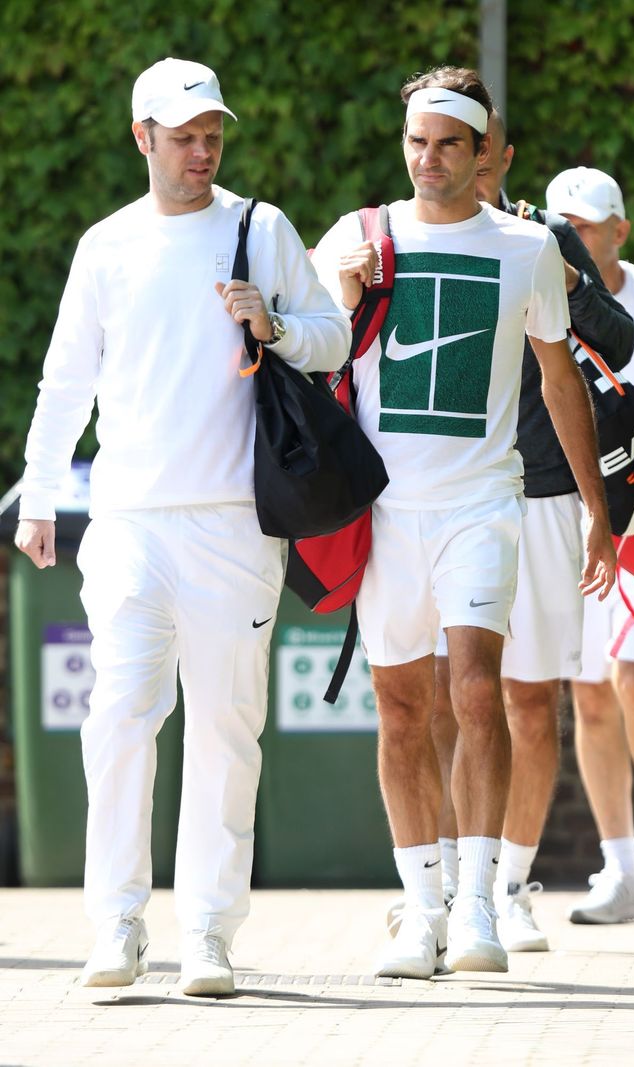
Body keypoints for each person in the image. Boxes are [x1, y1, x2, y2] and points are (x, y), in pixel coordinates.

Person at [14, 57, 350, 995]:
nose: (202, 151)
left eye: (213, 135)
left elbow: (333, 338)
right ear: (143, 138)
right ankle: (116, 923)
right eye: (184, 135)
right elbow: (66, 378)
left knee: (227, 728)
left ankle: (206, 931)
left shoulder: (261, 228)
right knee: (118, 717)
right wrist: (41, 495)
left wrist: (274, 323)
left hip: (238, 523)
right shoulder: (106, 245)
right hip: (126, 522)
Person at [312, 66, 616, 980]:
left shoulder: (524, 248)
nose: (429, 159)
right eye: (416, 141)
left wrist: (599, 508)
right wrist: (344, 293)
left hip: (484, 502)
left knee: (477, 690)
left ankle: (480, 904)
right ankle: (423, 908)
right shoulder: (356, 238)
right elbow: (311, 354)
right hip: (385, 512)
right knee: (402, 707)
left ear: (484, 152)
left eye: (449, 143)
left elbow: (561, 379)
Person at [424, 116, 634, 954]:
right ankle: (438, 883)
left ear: (499, 159)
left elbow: (614, 339)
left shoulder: (543, 236)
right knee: (445, 690)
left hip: (543, 494)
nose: (450, 165)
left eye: (469, 150)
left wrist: (560, 271)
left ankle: (506, 887)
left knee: (526, 699)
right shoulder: (404, 234)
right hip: (445, 495)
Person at [545, 166, 634, 923]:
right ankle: (623, 871)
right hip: (572, 526)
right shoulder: (539, 292)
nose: (576, 236)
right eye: (565, 223)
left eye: (590, 225)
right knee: (590, 695)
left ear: (620, 230)